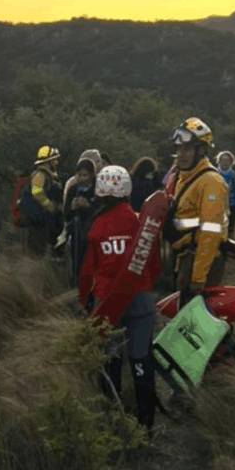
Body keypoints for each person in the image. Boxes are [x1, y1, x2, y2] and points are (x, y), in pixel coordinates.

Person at [79, 166, 161, 434]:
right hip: (141, 299)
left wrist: (84, 302)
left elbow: (88, 271)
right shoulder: (141, 222)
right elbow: (156, 264)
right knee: (140, 359)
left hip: (107, 304)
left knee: (111, 359)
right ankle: (146, 424)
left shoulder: (96, 226)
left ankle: (112, 422)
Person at [163, 117, 230, 308]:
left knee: (195, 320)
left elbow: (210, 232)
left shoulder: (211, 181)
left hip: (201, 259)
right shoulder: (182, 176)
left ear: (201, 150)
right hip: (185, 255)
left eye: (187, 149)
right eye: (178, 148)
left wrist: (199, 277)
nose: (180, 154)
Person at [62, 158, 99, 287]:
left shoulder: (98, 189)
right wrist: (72, 207)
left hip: (93, 233)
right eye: (79, 175)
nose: (82, 178)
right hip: (76, 233)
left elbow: (101, 212)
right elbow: (66, 215)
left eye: (85, 175)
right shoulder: (73, 190)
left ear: (91, 175)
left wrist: (88, 206)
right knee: (77, 262)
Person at [24, 145, 64, 257]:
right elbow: (37, 193)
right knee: (37, 253)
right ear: (48, 161)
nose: (56, 163)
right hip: (39, 221)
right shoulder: (40, 175)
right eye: (54, 160)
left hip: (47, 221)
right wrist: (50, 206)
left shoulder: (49, 175)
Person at [215, 150, 235, 235]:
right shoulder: (214, 174)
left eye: (227, 160)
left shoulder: (234, 175)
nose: (225, 162)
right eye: (223, 160)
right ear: (219, 161)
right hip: (216, 205)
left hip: (231, 206)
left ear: (231, 162)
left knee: (230, 230)